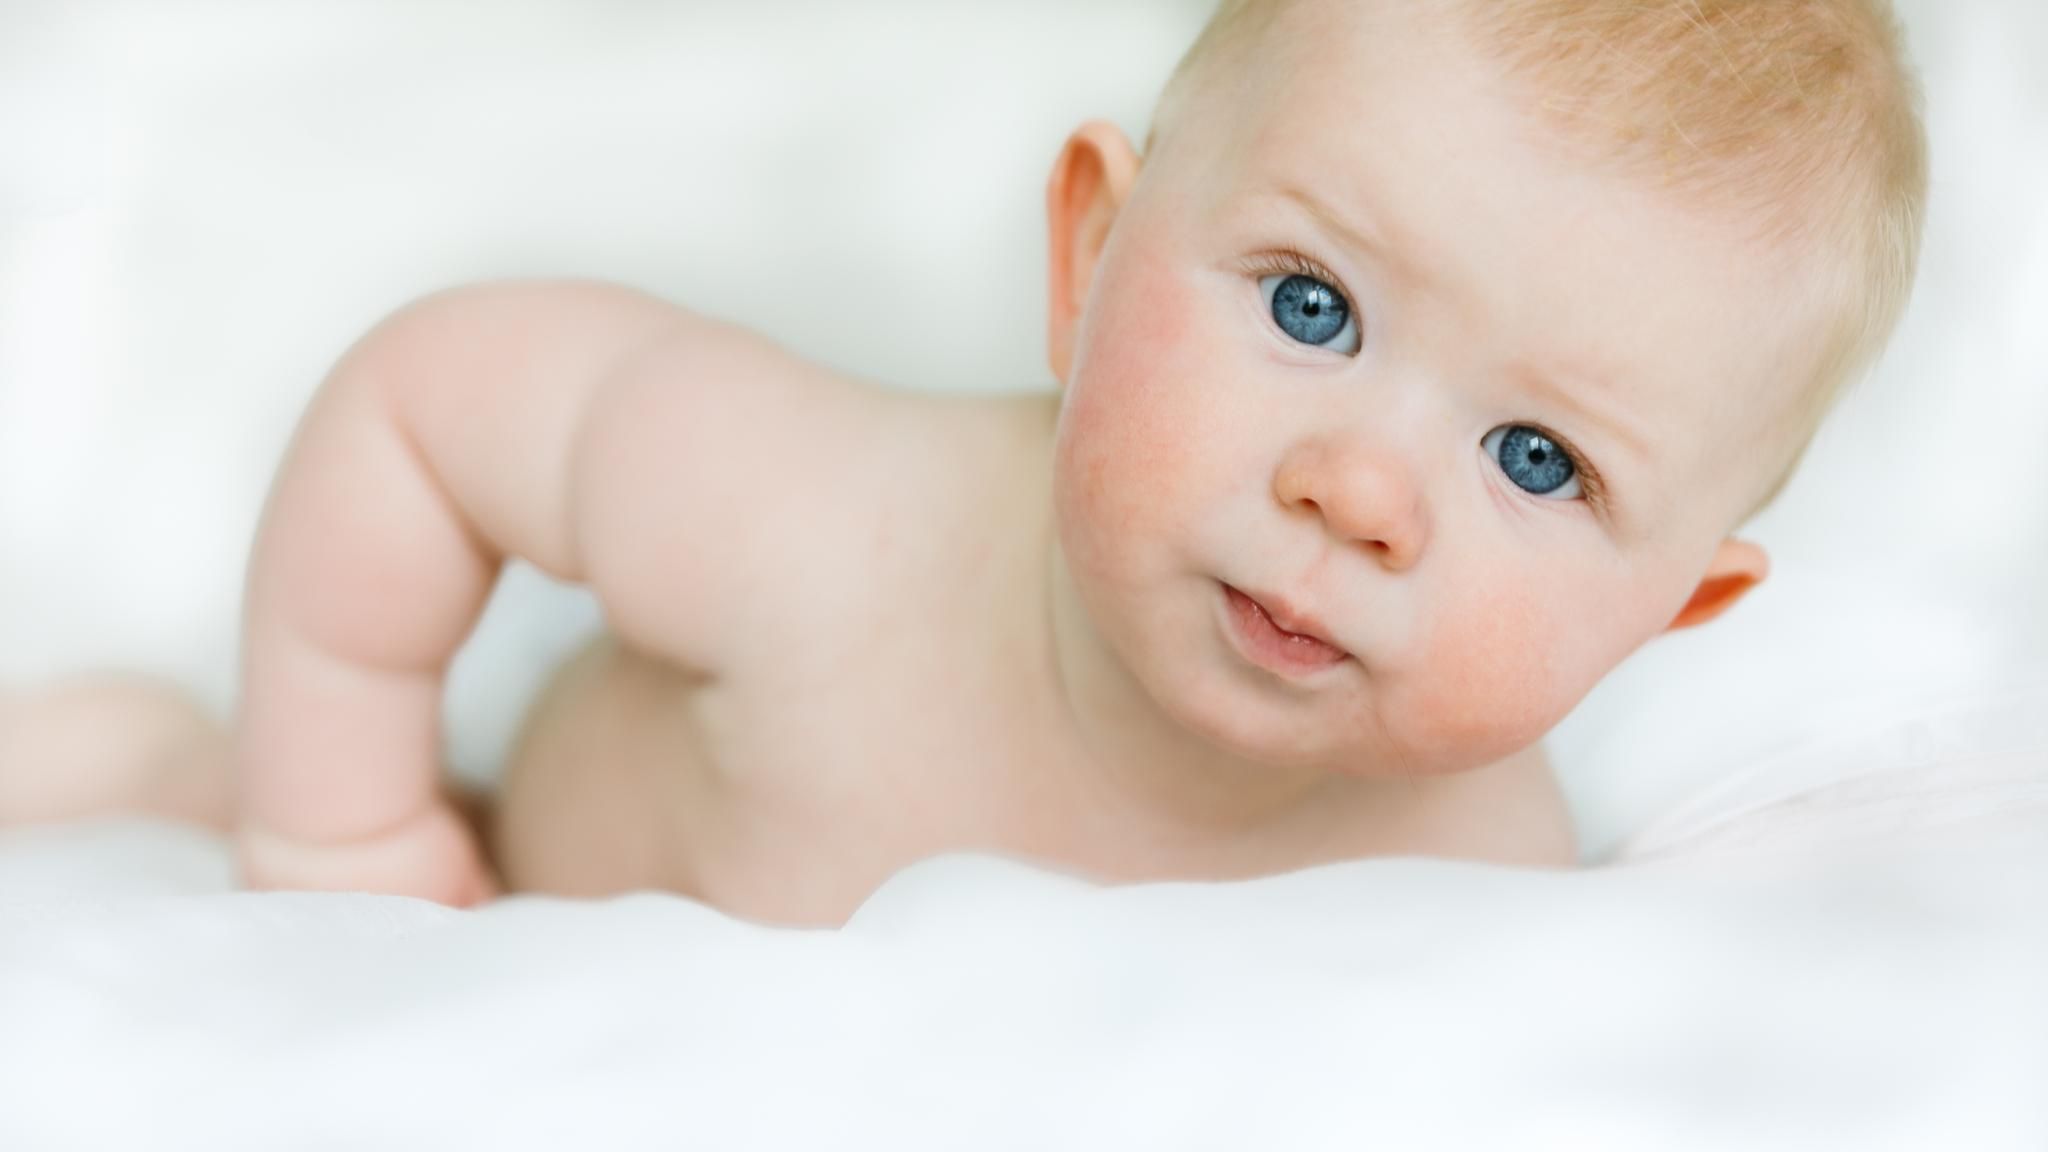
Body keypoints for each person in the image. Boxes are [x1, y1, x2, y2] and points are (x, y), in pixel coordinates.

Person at [13, 0, 1930, 926]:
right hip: (515, 868)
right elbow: (426, 407)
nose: (1363, 493)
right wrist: (347, 840)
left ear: (1672, 609)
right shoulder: (803, 516)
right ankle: (169, 758)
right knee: (162, 794)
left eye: (1536, 459)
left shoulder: (1484, 882)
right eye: (1315, 308)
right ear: (1089, 259)